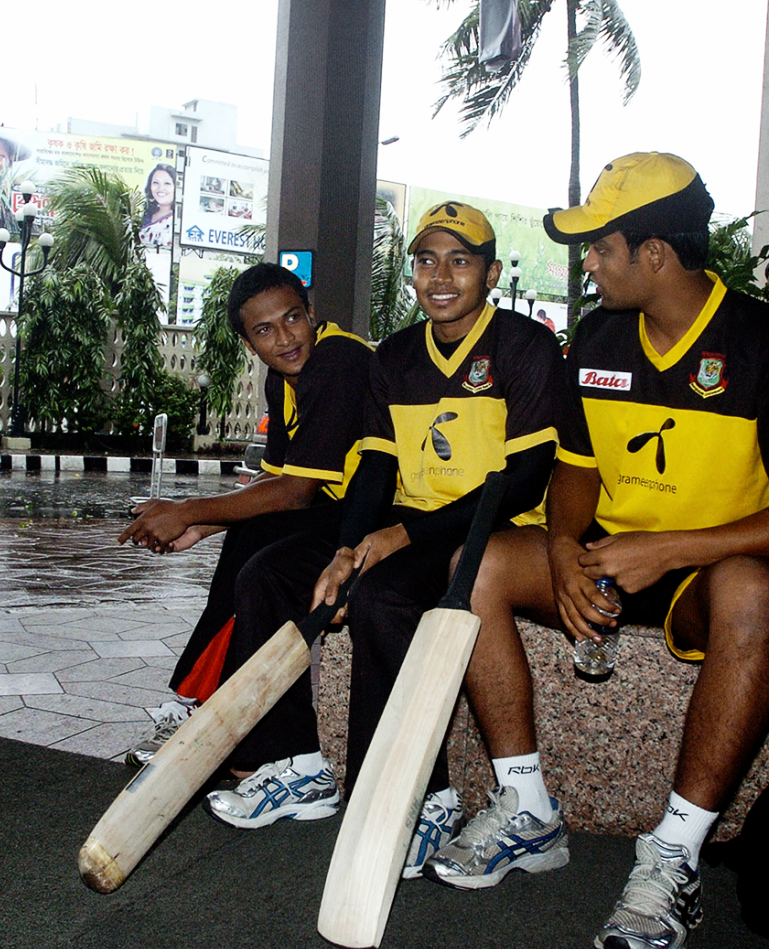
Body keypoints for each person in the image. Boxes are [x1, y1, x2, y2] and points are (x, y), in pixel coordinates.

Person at [421, 153, 769, 949]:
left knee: (753, 595)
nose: (588, 262)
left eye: (600, 246)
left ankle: (672, 856)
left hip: (711, 569)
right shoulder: (599, 335)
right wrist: (559, 547)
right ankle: (525, 806)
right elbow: (577, 467)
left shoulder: (766, 345)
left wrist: (676, 549)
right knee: (472, 561)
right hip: (611, 555)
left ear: (654, 253)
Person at [207, 202, 563, 877]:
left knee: (385, 598)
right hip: (410, 517)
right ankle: (298, 764)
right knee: (269, 571)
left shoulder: (523, 344)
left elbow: (523, 480)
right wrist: (346, 547)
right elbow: (373, 467)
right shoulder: (396, 356)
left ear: (489, 271)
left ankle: (420, 798)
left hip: (493, 527)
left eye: (460, 259)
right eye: (426, 259)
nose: (441, 275)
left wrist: (401, 534)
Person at [118, 263, 372, 784]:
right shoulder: (282, 381)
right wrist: (201, 528)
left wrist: (187, 511)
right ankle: (197, 700)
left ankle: (233, 723)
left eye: (293, 318)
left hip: (379, 516)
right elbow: (277, 483)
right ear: (247, 341)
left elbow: (298, 491)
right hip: (337, 511)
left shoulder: (339, 361)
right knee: (247, 533)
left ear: (311, 313)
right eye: (264, 330)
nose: (285, 338)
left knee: (263, 564)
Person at [139, 164, 176, 248]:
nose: (160, 188)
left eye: (167, 183)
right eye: (156, 182)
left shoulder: (177, 221)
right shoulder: (146, 216)